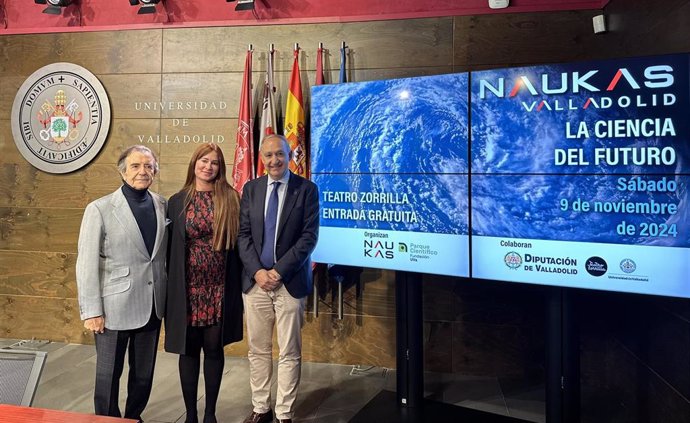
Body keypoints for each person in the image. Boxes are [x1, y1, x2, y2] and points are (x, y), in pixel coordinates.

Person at [76, 145, 168, 423]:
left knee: (143, 374)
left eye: (149, 166)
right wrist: (91, 310)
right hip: (113, 309)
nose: (143, 171)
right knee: (108, 375)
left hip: (152, 305)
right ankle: (107, 419)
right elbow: (86, 263)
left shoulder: (162, 204)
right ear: (123, 171)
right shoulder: (100, 209)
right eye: (136, 166)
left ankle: (132, 417)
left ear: (155, 171)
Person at [238, 134, 320, 423]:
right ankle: (261, 408)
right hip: (255, 283)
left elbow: (309, 237)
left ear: (290, 156)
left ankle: (285, 412)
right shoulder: (251, 189)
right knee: (257, 349)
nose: (275, 160)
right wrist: (259, 272)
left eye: (280, 154)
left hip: (290, 282)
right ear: (261, 158)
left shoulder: (307, 189)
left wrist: (278, 271)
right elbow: (243, 235)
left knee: (289, 351)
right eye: (269, 155)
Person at [164, 143, 243, 423]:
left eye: (215, 163)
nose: (208, 167)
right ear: (194, 163)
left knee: (213, 348)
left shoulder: (231, 198)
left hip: (219, 288)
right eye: (203, 161)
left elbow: (241, 244)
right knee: (188, 350)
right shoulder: (177, 201)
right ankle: (191, 415)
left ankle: (210, 413)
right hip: (187, 289)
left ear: (221, 168)